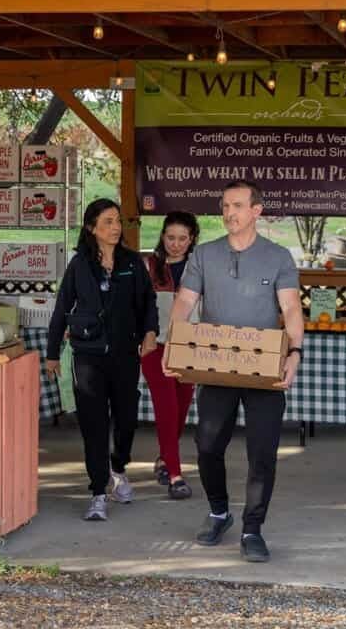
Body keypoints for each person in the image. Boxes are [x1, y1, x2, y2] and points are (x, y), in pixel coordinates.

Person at [165, 180, 304, 563]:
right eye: (225, 206)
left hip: (264, 368)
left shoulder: (278, 257)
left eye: (238, 206)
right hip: (215, 368)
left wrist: (294, 353)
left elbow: (291, 309)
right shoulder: (204, 255)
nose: (229, 213)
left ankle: (252, 529)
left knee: (263, 453)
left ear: (256, 211)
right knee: (208, 446)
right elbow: (184, 303)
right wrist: (175, 347)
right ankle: (219, 512)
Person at [46, 198, 158, 522]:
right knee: (93, 425)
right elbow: (62, 309)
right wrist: (53, 353)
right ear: (92, 228)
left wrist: (150, 332)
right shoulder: (80, 265)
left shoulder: (132, 262)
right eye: (107, 222)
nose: (115, 227)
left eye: (117, 221)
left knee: (126, 419)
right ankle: (97, 491)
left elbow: (148, 302)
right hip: (88, 355)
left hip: (125, 354)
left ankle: (118, 466)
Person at [143, 211, 201, 500]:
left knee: (180, 409)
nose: (175, 244)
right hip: (155, 347)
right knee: (165, 407)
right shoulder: (148, 267)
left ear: (192, 240)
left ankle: (165, 458)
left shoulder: (200, 268)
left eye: (182, 238)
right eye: (170, 237)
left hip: (189, 347)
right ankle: (176, 475)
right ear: (162, 236)